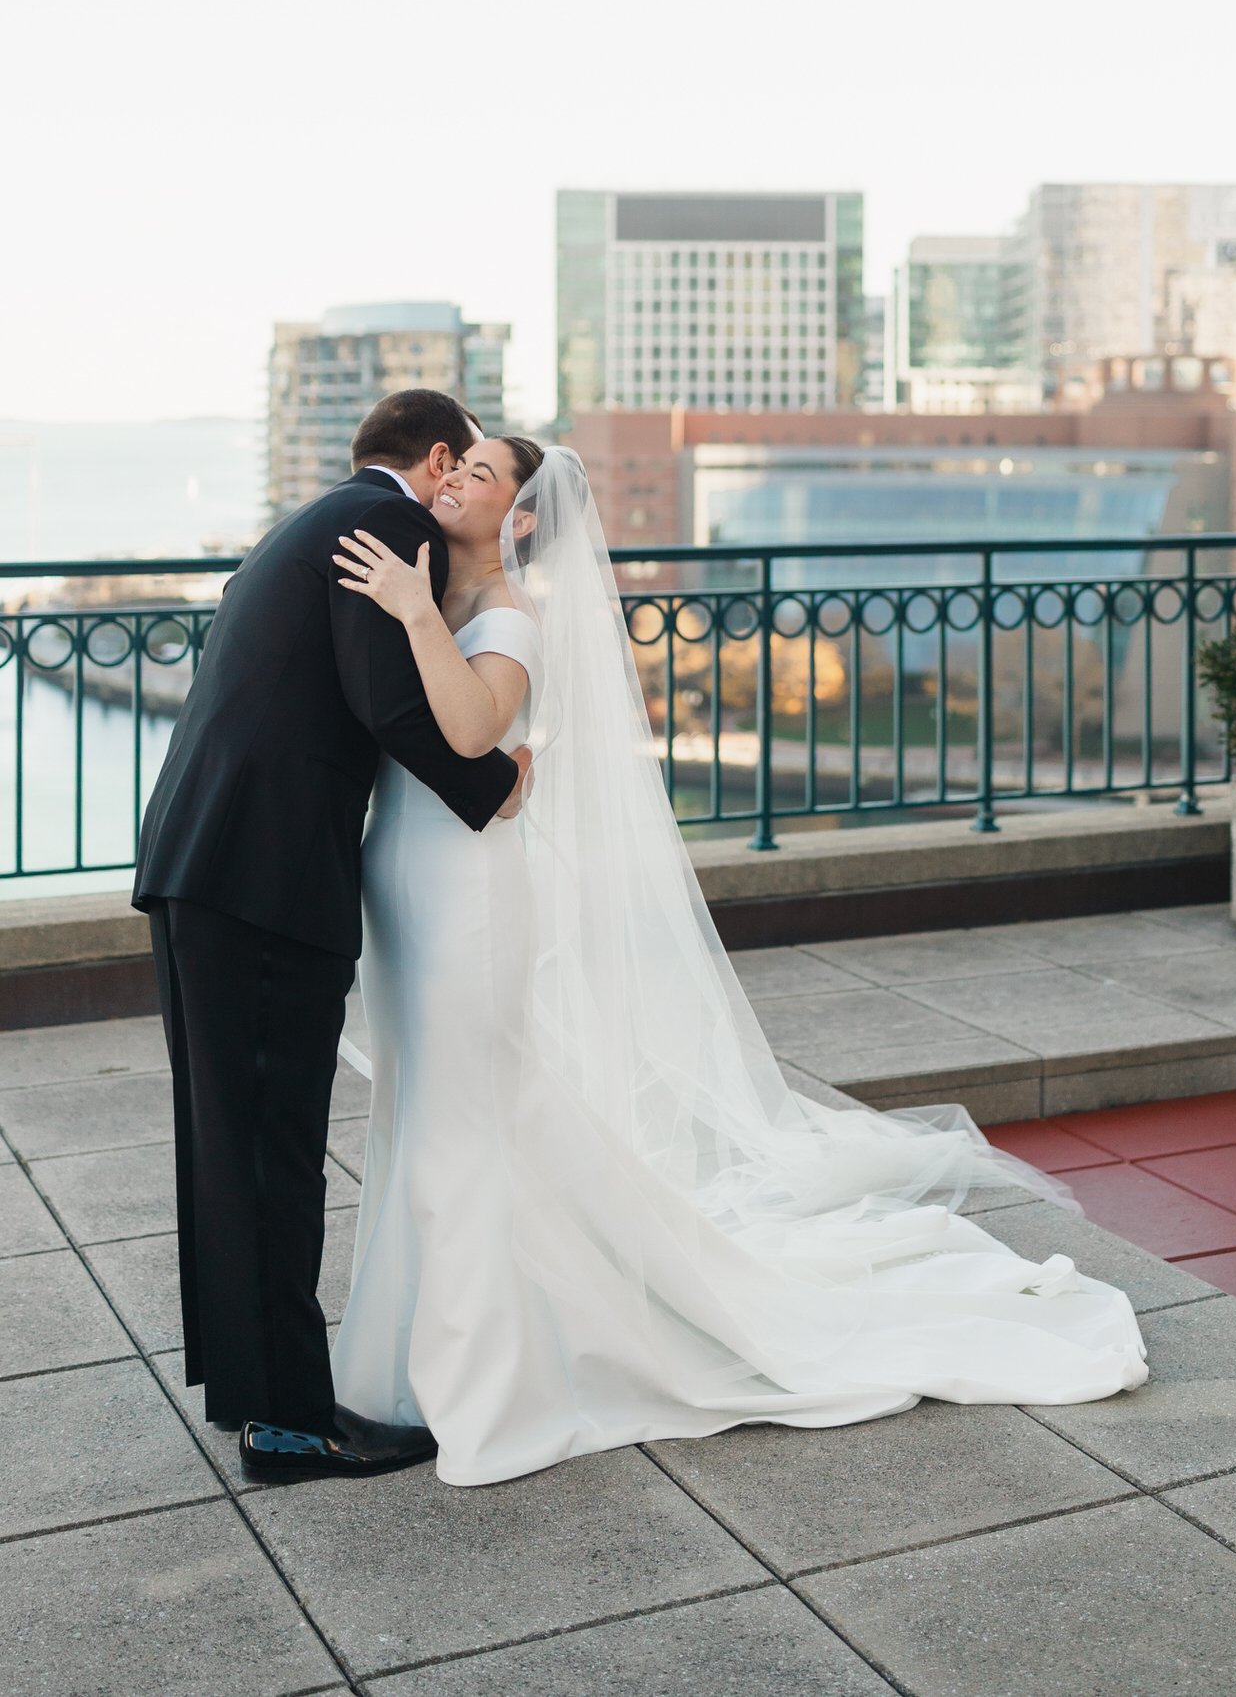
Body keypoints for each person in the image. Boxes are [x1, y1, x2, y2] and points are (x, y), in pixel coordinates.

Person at [330, 438, 1147, 1487]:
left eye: (479, 475)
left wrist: (405, 610)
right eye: (455, 469)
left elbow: (474, 723)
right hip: (407, 879)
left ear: (522, 518)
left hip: (468, 900)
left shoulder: (510, 614)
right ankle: (409, 1360)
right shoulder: (443, 594)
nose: (452, 482)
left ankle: (481, 1382)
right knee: (430, 1116)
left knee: (468, 1121)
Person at [132, 389, 531, 1485]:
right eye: (459, 469)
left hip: (199, 859)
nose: (455, 491)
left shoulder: (306, 522)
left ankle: (247, 1392)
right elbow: (387, 701)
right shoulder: (390, 527)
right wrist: (493, 783)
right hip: (263, 876)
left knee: (228, 1142)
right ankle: (294, 1424)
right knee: (270, 1148)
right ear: (438, 455)